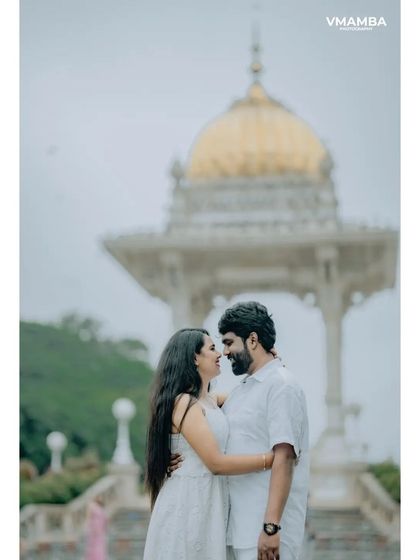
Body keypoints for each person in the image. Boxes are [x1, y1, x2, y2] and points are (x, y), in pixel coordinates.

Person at [143, 328, 275, 560]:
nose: (220, 354)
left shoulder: (209, 401)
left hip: (208, 500)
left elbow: (250, 393)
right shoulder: (184, 403)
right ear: (194, 358)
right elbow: (216, 463)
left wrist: (269, 362)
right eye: (212, 348)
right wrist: (272, 459)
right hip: (189, 502)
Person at [219, 301, 309, 560]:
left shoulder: (282, 385)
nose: (225, 352)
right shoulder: (244, 390)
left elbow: (285, 456)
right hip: (236, 529)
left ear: (253, 339)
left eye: (229, 343)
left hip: (265, 533)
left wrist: (271, 527)